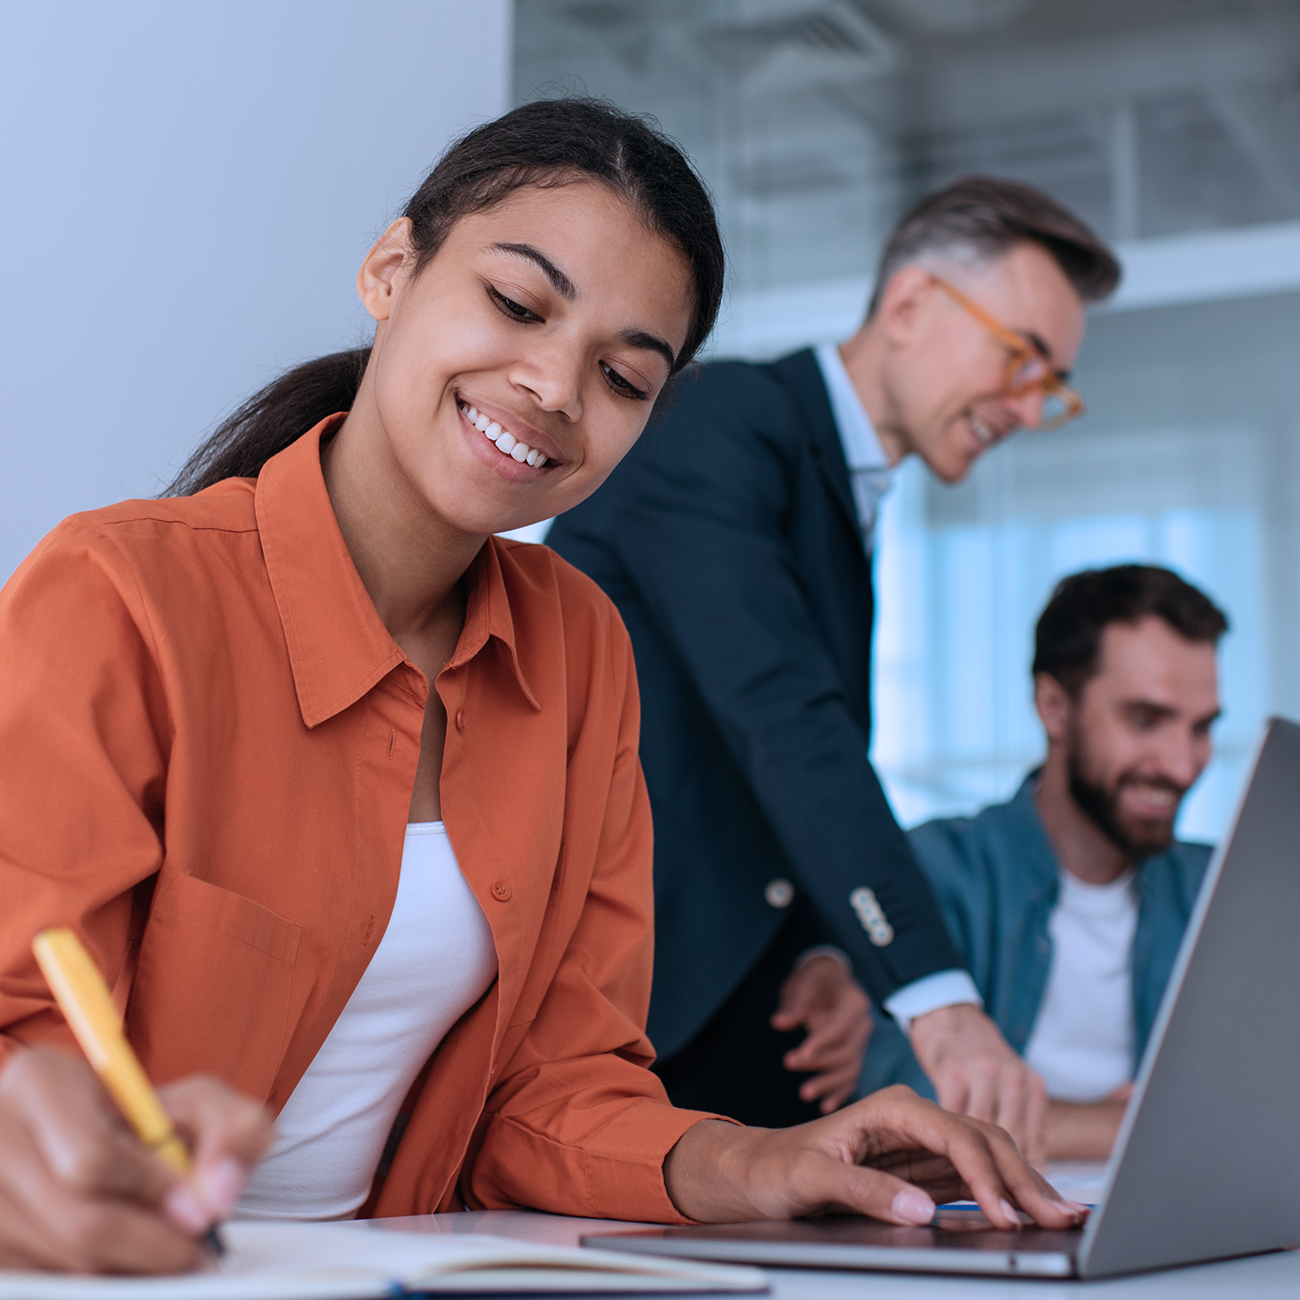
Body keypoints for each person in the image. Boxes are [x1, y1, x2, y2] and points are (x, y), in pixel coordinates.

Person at [0, 100, 1082, 1275]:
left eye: (624, 375)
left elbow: (554, 1088)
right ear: (390, 267)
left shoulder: (578, 649)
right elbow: (26, 1043)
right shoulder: (120, 593)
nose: (556, 388)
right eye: (518, 305)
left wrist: (766, 1160)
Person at [548, 177, 1121, 1152]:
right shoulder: (722, 419)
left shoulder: (834, 482)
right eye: (1021, 358)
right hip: (610, 1010)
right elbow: (782, 719)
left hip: (732, 1018)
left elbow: (741, 760)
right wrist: (938, 1002)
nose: (1030, 408)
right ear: (909, 305)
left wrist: (825, 946)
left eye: (1051, 385)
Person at [862, 565, 1226, 1160]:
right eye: (1145, 720)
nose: (1182, 766)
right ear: (1054, 706)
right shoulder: (927, 872)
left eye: (1202, 728)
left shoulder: (1221, 889)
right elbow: (891, 1115)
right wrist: (1134, 1127)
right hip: (976, 1238)